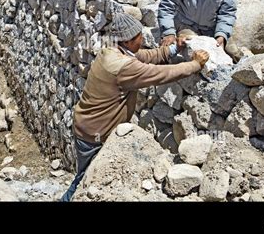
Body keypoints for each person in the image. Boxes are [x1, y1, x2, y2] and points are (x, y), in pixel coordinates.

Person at [60, 13, 209, 202]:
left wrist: (173, 49)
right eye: (139, 36)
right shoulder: (123, 67)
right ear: (129, 41)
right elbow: (160, 73)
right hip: (95, 134)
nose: (142, 38)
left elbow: (144, 56)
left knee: (86, 178)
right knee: (84, 182)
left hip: (87, 127)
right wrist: (195, 64)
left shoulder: (113, 51)